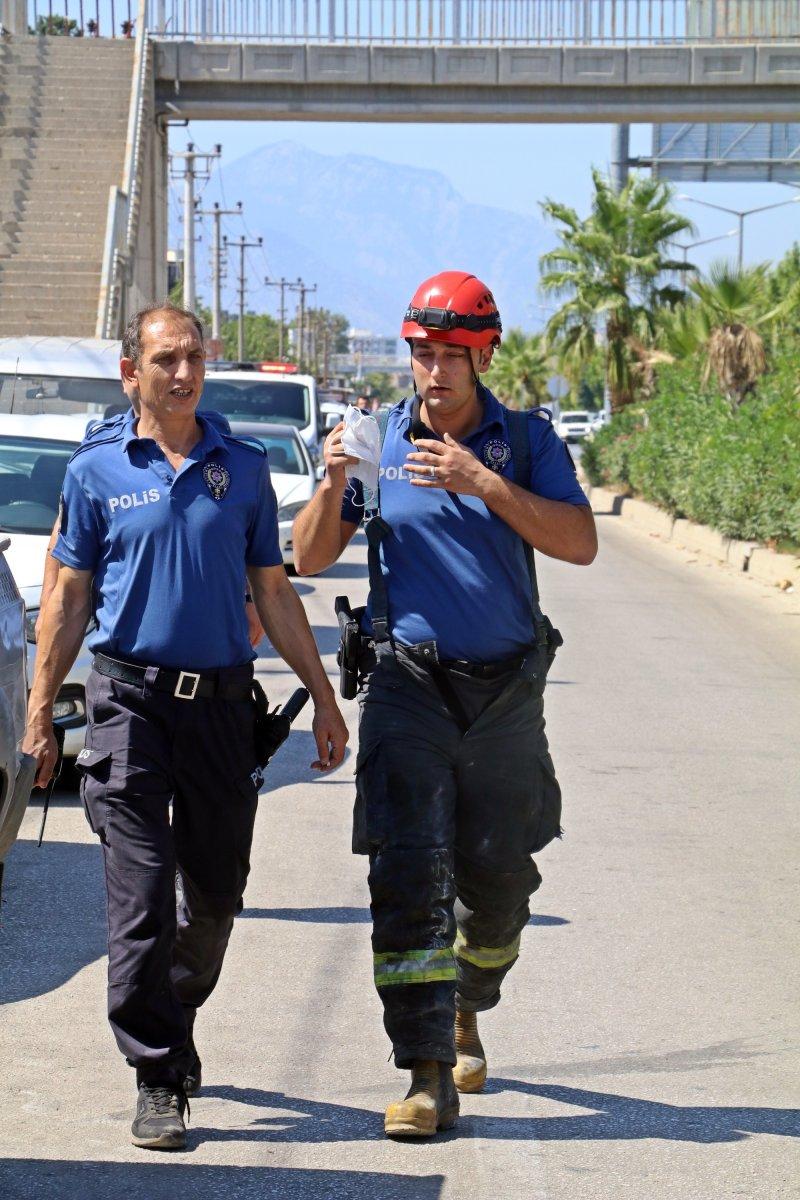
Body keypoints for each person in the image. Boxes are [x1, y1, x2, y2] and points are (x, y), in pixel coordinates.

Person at [23, 302, 348, 1151]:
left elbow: (273, 592)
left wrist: (321, 694)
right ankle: (158, 1073)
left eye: (194, 357)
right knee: (139, 899)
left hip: (221, 713)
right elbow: (66, 598)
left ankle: (173, 1011)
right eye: (166, 359)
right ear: (132, 373)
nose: (183, 372)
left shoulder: (238, 469)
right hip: (127, 703)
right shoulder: (95, 473)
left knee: (213, 898)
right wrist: (37, 714)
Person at [292, 271, 596, 1138]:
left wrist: (481, 482)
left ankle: (469, 1000)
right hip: (407, 689)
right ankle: (426, 1073)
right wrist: (332, 480)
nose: (434, 371)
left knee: (499, 881)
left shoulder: (528, 442)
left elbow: (579, 544)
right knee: (406, 878)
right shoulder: (377, 439)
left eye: (451, 355)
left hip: (504, 695)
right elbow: (311, 560)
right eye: (422, 353)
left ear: (485, 354)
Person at [35, 385, 265, 648]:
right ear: (130, 376)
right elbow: (66, 530)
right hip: (123, 637)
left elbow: (230, 528)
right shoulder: (104, 446)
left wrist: (248, 598)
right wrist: (47, 603)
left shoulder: (212, 435)